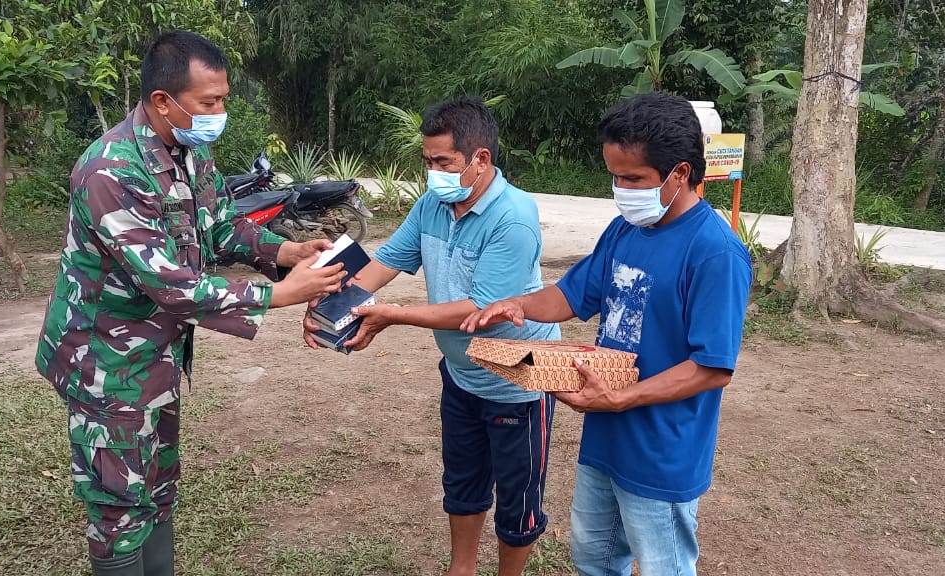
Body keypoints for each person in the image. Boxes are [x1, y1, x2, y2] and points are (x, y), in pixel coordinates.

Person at [35, 31, 346, 576]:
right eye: (210, 102)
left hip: (156, 357)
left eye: (223, 98)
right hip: (106, 365)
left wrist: (287, 251)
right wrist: (275, 295)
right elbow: (172, 285)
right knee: (119, 506)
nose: (219, 112)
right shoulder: (111, 171)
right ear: (163, 101)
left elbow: (220, 225)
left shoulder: (189, 150)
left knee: (157, 489)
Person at [461, 92, 752, 576]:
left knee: (665, 567)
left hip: (662, 450)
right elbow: (573, 296)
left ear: (680, 173)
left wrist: (624, 398)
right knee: (593, 557)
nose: (621, 189)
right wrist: (517, 304)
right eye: (615, 176)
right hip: (605, 439)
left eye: (633, 178)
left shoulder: (715, 252)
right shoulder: (624, 231)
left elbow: (712, 367)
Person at [303, 97, 560, 576]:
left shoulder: (515, 217)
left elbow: (478, 309)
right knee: (462, 481)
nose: (432, 172)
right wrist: (330, 308)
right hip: (463, 373)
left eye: (443, 162)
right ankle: (458, 570)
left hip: (520, 376)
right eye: (428, 162)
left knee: (518, 497)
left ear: (480, 159)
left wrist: (394, 316)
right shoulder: (432, 206)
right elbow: (384, 264)